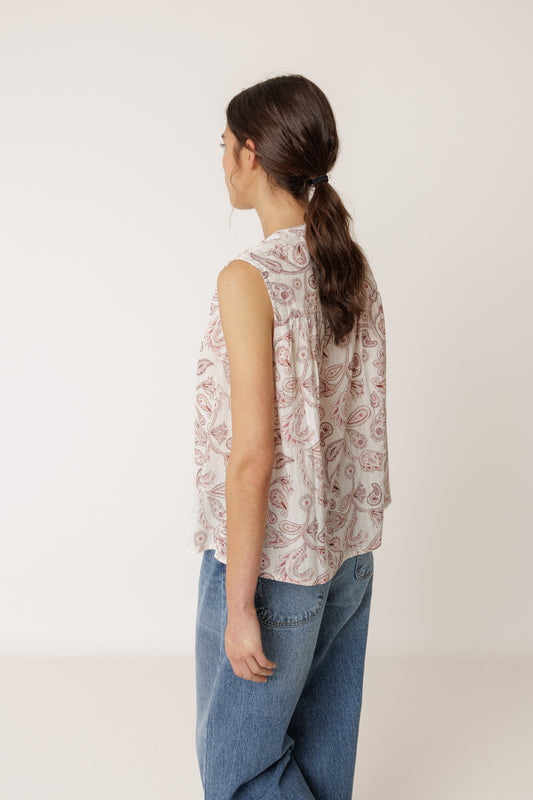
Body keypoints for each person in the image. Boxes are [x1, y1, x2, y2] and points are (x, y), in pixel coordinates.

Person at [187, 74, 391, 800]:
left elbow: (253, 458)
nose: (221, 163)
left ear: (250, 153)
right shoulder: (348, 266)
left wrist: (241, 605)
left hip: (272, 567)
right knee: (323, 765)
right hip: (346, 557)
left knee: (240, 775)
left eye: (223, 147)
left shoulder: (249, 279)